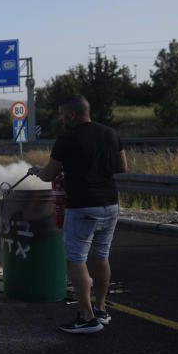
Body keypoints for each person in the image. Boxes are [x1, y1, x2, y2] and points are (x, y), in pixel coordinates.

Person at [29, 95, 128, 334]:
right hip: (110, 205)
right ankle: (101, 310)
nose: (61, 118)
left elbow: (49, 175)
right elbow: (122, 167)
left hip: (83, 207)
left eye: (62, 114)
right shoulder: (110, 134)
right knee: (101, 256)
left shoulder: (67, 138)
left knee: (76, 260)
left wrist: (37, 171)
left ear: (72, 115)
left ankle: (86, 317)